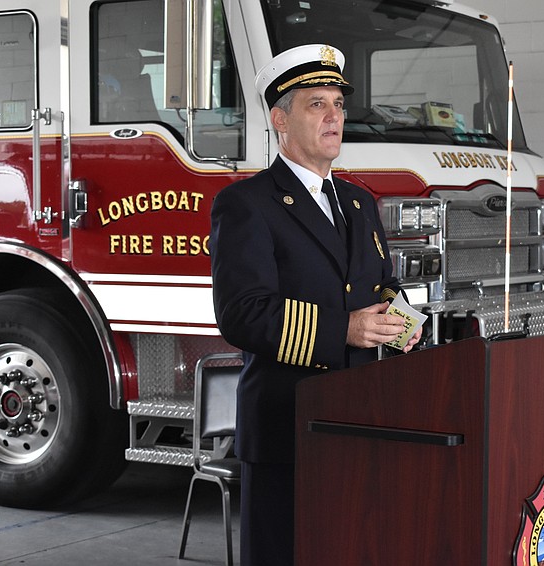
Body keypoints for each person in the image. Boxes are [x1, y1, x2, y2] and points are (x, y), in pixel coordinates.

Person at [209, 44, 422, 566]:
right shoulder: (247, 204)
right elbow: (243, 313)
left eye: (338, 104)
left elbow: (381, 285)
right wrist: (343, 330)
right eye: (316, 104)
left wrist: (403, 322)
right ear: (280, 120)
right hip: (289, 426)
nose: (334, 117)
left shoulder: (358, 202)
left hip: (361, 420)